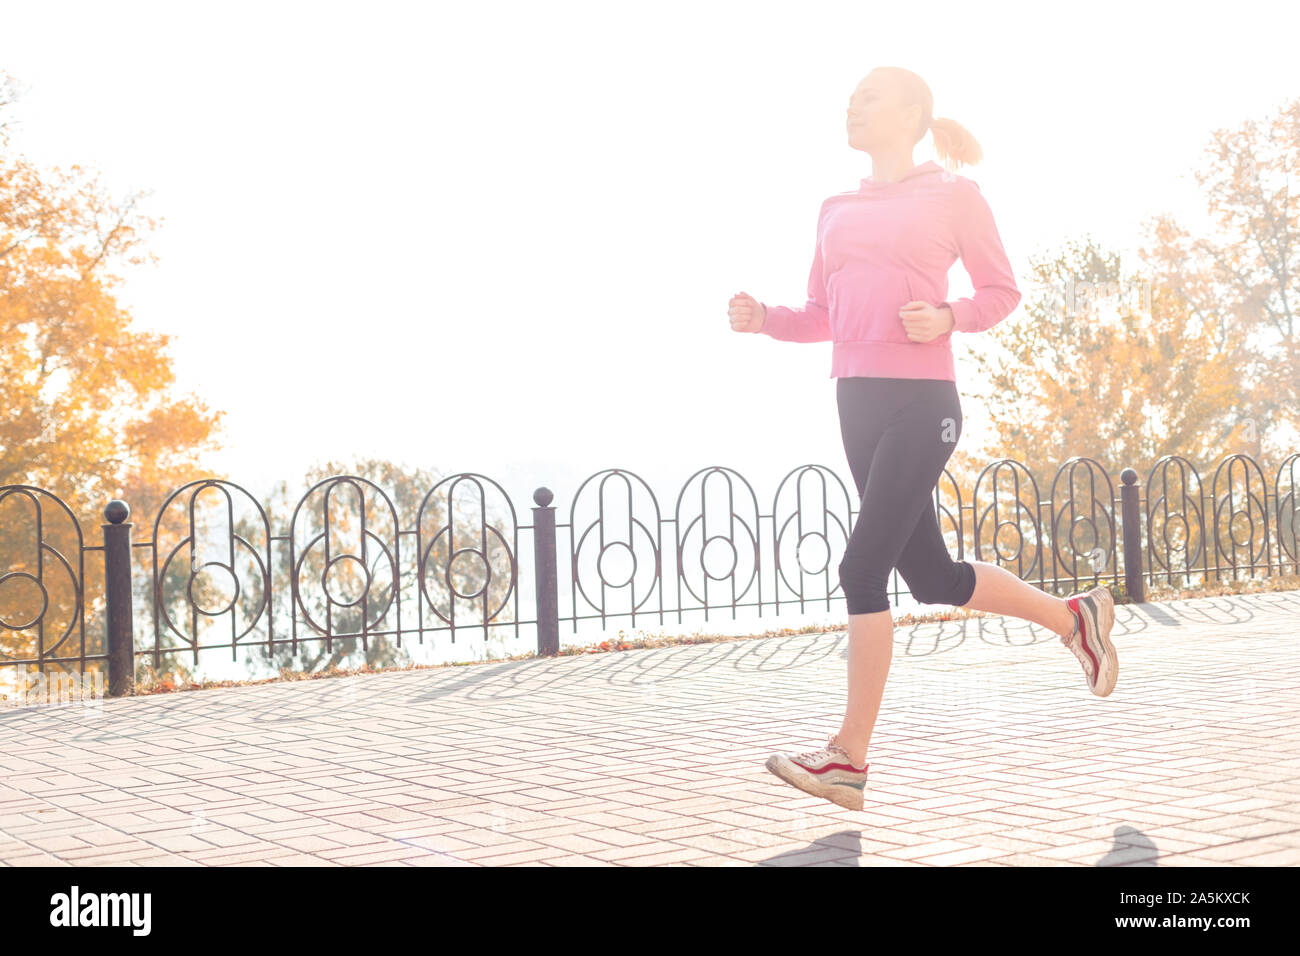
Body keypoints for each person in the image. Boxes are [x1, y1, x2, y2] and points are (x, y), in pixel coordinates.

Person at [727, 66, 1118, 812]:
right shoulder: (834, 206)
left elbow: (1001, 290)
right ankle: (1076, 617)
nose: (852, 104)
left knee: (860, 568)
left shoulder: (955, 195)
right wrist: (765, 317)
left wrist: (948, 317)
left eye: (868, 97)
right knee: (931, 578)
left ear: (911, 114)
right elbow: (821, 314)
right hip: (856, 402)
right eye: (851, 97)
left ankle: (849, 758)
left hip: (922, 402)